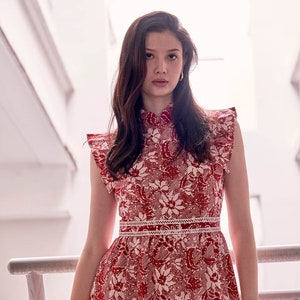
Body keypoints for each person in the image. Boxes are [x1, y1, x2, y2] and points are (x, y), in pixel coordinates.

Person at [70, 11, 258, 300]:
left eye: (172, 56)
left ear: (184, 63)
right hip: (128, 288)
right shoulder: (111, 148)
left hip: (206, 287)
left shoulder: (222, 131)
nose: (161, 67)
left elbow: (243, 232)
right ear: (132, 62)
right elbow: (95, 244)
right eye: (148, 56)